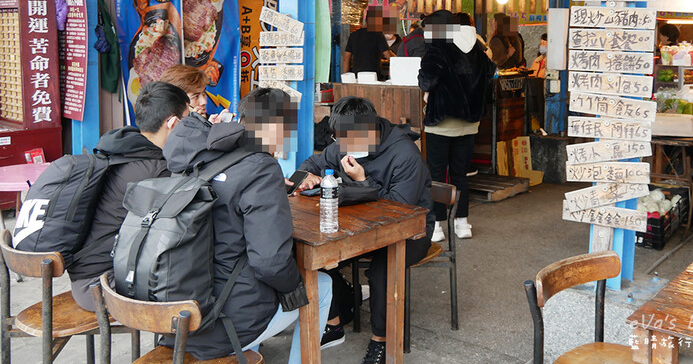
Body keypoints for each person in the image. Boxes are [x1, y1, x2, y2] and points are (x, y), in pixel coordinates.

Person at [161, 87, 332, 362]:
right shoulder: (260, 168)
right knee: (320, 285)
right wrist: (293, 289)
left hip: (173, 312)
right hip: (219, 325)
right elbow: (270, 262)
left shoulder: (195, 156)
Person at [298, 96, 434, 364]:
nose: (345, 147)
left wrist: (362, 180)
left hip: (409, 232)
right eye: (341, 140)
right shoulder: (343, 145)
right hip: (358, 227)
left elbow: (400, 213)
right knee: (314, 255)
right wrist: (307, 176)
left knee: (383, 271)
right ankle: (335, 322)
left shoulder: (404, 154)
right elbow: (312, 164)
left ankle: (381, 341)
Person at [68, 81, 190, 311]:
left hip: (86, 276)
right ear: (173, 123)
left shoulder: (125, 148)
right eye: (188, 120)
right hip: (102, 285)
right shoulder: (156, 171)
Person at [420, 10, 495, 240]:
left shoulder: (437, 49)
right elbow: (490, 73)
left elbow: (426, 81)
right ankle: (462, 224)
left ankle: (438, 227)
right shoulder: (478, 49)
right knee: (460, 174)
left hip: (440, 123)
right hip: (469, 124)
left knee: (437, 175)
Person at [343, 6, 395, 79]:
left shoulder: (354, 35)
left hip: (357, 76)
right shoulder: (378, 35)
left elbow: (346, 59)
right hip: (373, 76)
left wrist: (346, 78)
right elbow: (389, 56)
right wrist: (397, 58)